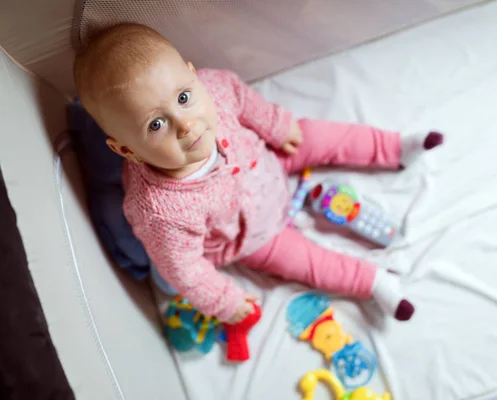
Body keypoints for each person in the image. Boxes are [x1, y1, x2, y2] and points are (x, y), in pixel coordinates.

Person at [73, 23, 443, 324]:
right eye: (156, 124)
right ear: (126, 150)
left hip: (267, 160)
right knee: (305, 263)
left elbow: (244, 99)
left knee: (317, 135)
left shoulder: (213, 88)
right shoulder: (159, 211)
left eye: (184, 98)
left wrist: (278, 126)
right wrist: (223, 300)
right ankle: (375, 281)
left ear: (192, 75)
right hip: (250, 235)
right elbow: (183, 269)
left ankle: (394, 149)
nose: (185, 124)